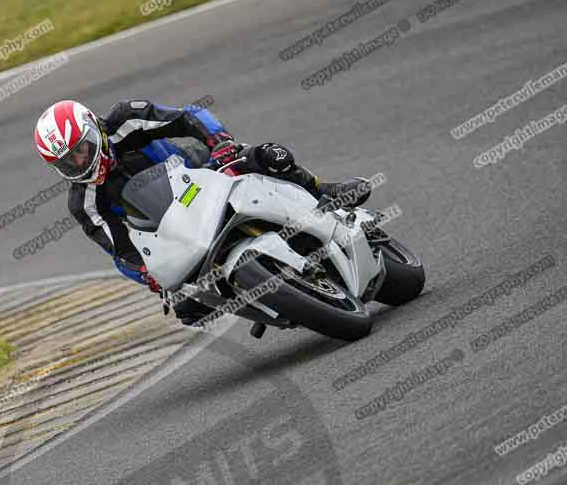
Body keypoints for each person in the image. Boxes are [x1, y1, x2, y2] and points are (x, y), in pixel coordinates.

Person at [34, 99, 370, 325]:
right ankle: (267, 300)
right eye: (67, 162)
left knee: (268, 155)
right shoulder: (84, 203)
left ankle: (323, 190)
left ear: (94, 129)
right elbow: (121, 253)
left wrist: (219, 142)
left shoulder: (126, 120)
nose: (79, 162)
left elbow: (188, 117)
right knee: (189, 308)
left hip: (205, 174)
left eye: (82, 150)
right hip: (176, 233)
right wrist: (150, 276)